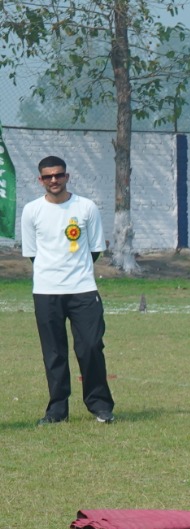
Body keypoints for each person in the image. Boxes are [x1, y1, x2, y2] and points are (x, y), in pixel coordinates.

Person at [19, 155, 115, 425]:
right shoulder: (31, 211)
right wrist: (53, 275)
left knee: (91, 346)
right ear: (40, 180)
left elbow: (95, 249)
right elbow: (32, 254)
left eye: (58, 175)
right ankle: (57, 411)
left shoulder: (86, 207)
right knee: (54, 352)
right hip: (46, 292)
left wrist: (76, 273)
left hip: (83, 290)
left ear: (67, 176)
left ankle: (100, 406)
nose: (54, 180)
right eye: (48, 176)